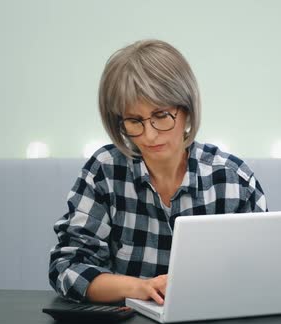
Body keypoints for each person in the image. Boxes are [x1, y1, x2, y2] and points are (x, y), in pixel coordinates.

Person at [49, 39, 268, 304]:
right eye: (134, 121)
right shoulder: (105, 171)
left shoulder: (232, 181)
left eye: (162, 115)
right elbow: (67, 268)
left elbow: (261, 276)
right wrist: (139, 288)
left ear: (186, 111)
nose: (150, 135)